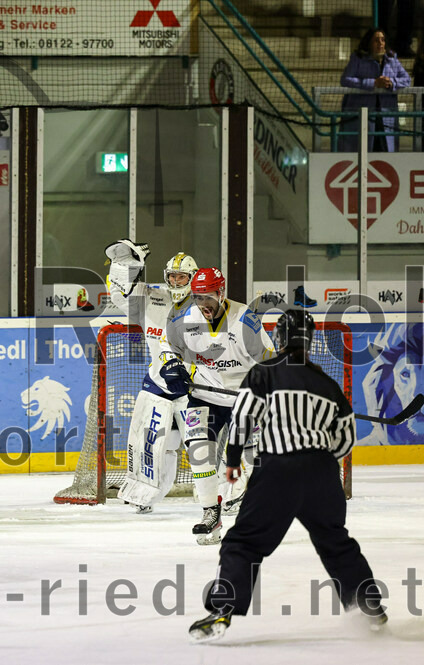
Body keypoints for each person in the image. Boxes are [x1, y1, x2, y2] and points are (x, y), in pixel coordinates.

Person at [189, 309, 386, 642]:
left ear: (279, 339)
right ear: (310, 341)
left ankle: (223, 609)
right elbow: (345, 440)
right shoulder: (328, 384)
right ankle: (369, 606)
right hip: (324, 475)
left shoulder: (265, 373)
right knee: (336, 543)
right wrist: (319, 461)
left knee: (244, 542)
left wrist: (234, 459)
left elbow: (242, 418)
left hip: (277, 470)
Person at [159, 267, 274, 545]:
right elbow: (167, 349)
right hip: (205, 394)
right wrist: (170, 366)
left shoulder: (245, 320)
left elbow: (270, 362)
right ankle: (211, 512)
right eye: (198, 297)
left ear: (221, 293)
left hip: (245, 397)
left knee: (252, 456)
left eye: (208, 297)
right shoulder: (184, 319)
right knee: (199, 450)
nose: (203, 304)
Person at [100, 240, 199, 514]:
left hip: (193, 390)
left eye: (182, 276)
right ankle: (144, 496)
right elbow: (120, 296)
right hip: (157, 384)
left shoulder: (207, 307)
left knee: (202, 448)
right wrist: (126, 265)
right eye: (172, 276)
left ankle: (222, 496)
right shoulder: (152, 297)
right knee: (155, 445)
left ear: (192, 278)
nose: (176, 281)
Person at [339, 27, 412, 152]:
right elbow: (346, 79)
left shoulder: (392, 59)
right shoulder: (358, 58)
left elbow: (406, 79)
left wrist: (391, 83)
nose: (380, 43)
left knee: (385, 151)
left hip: (386, 114)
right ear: (369, 43)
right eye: (376, 40)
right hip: (363, 114)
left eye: (383, 40)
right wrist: (373, 83)